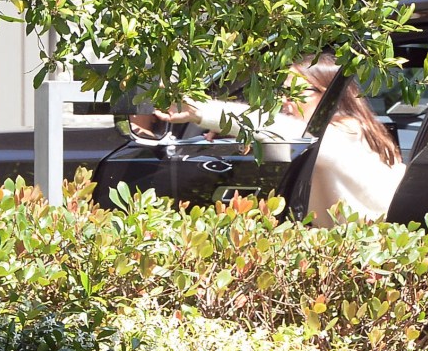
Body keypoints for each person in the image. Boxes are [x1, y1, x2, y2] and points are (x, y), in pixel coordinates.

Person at [154, 53, 405, 226]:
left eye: (297, 92)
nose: (285, 102)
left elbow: (289, 133)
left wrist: (203, 112)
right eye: (283, 93)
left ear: (329, 96)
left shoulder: (346, 134)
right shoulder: (365, 133)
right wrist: (237, 132)